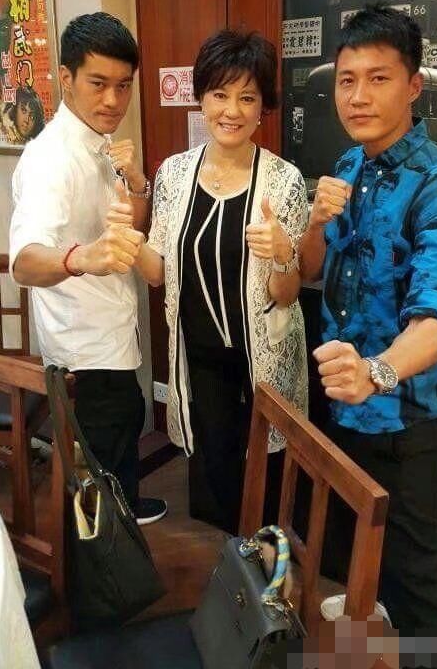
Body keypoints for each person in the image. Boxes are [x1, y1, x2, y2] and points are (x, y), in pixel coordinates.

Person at [110, 29, 309, 533]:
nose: (232, 110)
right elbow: (158, 272)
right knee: (214, 459)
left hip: (263, 350)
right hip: (199, 351)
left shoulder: (283, 180)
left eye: (247, 97)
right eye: (220, 94)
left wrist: (283, 255)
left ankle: (267, 550)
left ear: (263, 107)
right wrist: (127, 238)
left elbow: (286, 294)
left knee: (267, 463)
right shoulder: (174, 174)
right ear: (201, 98)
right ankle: (226, 556)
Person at [300, 4, 437, 632]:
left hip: (405, 417)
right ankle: (375, 633)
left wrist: (376, 373)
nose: (358, 96)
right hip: (343, 404)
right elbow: (310, 270)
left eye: (378, 78)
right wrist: (314, 220)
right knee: (362, 546)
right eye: (347, 80)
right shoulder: (346, 168)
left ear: (413, 86)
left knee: (416, 576)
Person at [9, 12, 167, 526]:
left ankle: (125, 521)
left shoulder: (99, 145)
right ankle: (103, 565)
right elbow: (24, 262)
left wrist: (137, 182)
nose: (113, 100)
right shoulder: (50, 159)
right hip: (83, 349)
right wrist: (81, 257)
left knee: (123, 432)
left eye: (124, 86)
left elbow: (127, 229)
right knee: (95, 471)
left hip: (112, 333)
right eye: (98, 84)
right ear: (66, 77)